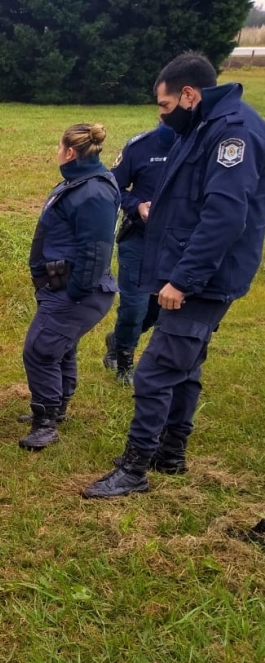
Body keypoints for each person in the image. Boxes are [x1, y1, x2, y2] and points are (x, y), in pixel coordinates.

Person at [83, 52, 265, 498]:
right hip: (193, 271)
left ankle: (135, 468)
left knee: (156, 371)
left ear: (188, 94)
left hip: (203, 279)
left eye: (164, 106)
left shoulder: (231, 134)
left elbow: (224, 217)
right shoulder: (204, 124)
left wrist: (183, 279)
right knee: (186, 366)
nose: (162, 115)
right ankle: (170, 453)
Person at [19, 124, 119, 451]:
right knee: (60, 347)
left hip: (75, 292)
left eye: (58, 146)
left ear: (70, 152)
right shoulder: (80, 183)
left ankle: (45, 422)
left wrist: (75, 293)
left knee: (41, 349)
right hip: (62, 288)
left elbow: (96, 250)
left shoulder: (93, 192)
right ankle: (57, 406)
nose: (56, 152)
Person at [100, 122, 176, 385]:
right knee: (134, 306)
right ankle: (124, 363)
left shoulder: (198, 144)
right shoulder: (140, 146)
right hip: (138, 239)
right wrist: (137, 205)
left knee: (156, 310)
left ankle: (117, 340)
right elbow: (114, 187)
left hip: (175, 245)